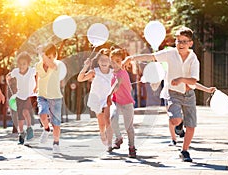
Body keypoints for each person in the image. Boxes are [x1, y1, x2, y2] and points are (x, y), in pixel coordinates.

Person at [122, 26, 200, 162]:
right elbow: (152, 57)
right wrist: (131, 58)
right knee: (175, 120)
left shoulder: (193, 59)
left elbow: (194, 80)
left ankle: (185, 151)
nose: (180, 44)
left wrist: (181, 79)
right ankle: (179, 125)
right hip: (173, 93)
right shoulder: (170, 53)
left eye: (184, 41)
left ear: (190, 43)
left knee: (191, 126)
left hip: (189, 94)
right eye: (178, 41)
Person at [77, 48, 113, 152]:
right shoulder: (94, 72)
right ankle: (102, 133)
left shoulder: (113, 72)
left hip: (108, 99)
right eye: (102, 60)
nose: (104, 62)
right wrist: (85, 66)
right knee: (101, 123)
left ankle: (110, 142)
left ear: (110, 61)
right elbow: (80, 79)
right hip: (97, 99)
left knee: (108, 120)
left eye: (106, 59)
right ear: (98, 61)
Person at [107, 48, 136, 158]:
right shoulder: (112, 73)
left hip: (127, 103)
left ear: (122, 61)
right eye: (113, 61)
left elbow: (117, 85)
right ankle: (118, 138)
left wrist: (109, 93)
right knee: (113, 117)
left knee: (129, 127)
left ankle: (132, 147)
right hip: (117, 101)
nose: (115, 64)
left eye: (118, 61)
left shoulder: (122, 73)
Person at [35, 43, 63, 153]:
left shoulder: (57, 65)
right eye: (46, 56)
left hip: (55, 97)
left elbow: (51, 64)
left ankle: (56, 143)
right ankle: (46, 129)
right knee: (42, 114)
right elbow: (37, 75)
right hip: (42, 95)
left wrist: (44, 54)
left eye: (50, 57)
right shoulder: (38, 65)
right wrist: (35, 86)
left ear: (54, 56)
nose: (47, 59)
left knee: (56, 123)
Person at [6, 52, 36, 145]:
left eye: (24, 64)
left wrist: (37, 86)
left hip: (29, 96)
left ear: (28, 64)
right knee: (20, 118)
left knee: (26, 112)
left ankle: (29, 128)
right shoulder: (16, 71)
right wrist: (8, 78)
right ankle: (21, 133)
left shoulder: (32, 71)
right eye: (20, 64)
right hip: (19, 96)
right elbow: (9, 76)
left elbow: (40, 72)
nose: (22, 66)